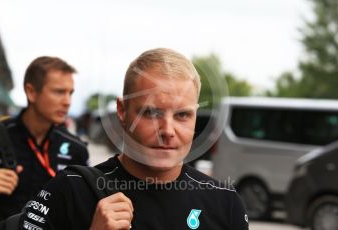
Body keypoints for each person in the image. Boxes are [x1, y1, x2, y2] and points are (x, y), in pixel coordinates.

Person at [18, 48, 249, 230]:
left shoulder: (225, 204)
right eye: (151, 113)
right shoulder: (72, 190)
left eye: (182, 115)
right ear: (122, 111)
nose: (167, 130)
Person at [0, 56, 89, 221]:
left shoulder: (76, 149)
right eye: (59, 92)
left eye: (70, 93)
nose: (67, 101)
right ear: (31, 92)